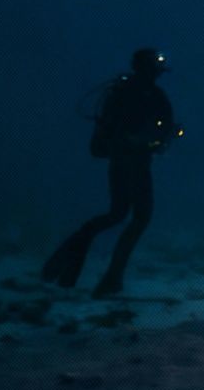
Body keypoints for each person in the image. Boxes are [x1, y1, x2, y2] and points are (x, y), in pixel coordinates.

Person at [42, 48, 179, 297]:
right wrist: (152, 139)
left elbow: (120, 130)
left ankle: (71, 255)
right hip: (135, 162)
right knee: (139, 217)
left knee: (117, 214)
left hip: (119, 161)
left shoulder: (121, 92)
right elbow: (159, 130)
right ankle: (111, 277)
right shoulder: (148, 95)